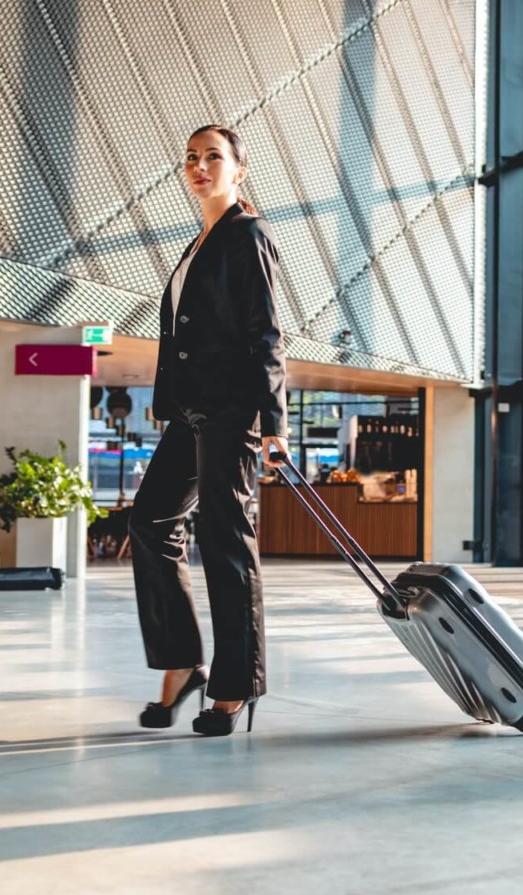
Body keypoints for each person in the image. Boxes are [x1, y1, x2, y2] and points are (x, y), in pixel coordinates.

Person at [129, 125, 289, 736]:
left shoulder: (247, 235)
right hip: (191, 413)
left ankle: (234, 686)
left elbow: (267, 333)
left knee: (226, 541)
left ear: (239, 170)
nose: (199, 166)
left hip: (233, 413)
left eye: (212, 157)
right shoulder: (199, 241)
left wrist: (274, 423)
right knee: (151, 521)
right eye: (191, 158)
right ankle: (180, 663)